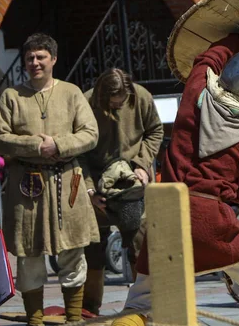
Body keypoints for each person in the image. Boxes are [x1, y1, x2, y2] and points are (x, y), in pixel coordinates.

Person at [112, 24, 239, 326]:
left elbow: (206, 60)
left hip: (164, 215)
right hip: (212, 221)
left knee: (142, 304)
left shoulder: (195, 94)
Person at [0, 33, 99, 326]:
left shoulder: (72, 93)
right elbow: (0, 138)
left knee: (73, 251)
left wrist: (58, 144)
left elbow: (90, 134)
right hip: (27, 186)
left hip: (68, 184)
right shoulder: (11, 96)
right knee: (28, 255)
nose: (35, 62)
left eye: (41, 57)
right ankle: (35, 320)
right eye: (30, 58)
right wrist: (35, 146)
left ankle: (75, 318)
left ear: (53, 59)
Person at [80, 68, 164, 316]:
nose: (118, 106)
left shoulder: (141, 96)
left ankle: (144, 306)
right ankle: (89, 308)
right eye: (113, 103)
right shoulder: (86, 102)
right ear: (102, 95)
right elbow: (79, 151)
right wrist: (88, 188)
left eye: (122, 101)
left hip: (132, 184)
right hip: (97, 185)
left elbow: (155, 131)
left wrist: (141, 164)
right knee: (93, 248)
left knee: (141, 244)